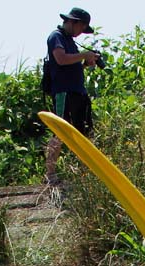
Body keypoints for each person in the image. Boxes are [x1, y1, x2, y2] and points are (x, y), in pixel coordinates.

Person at [44, 7, 100, 186]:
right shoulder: (56, 37)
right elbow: (60, 59)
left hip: (78, 92)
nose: (80, 33)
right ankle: (50, 173)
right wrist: (84, 54)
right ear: (73, 22)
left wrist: (84, 63)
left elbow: (69, 64)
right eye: (81, 28)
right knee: (59, 131)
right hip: (64, 92)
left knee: (83, 131)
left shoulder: (69, 40)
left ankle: (84, 172)